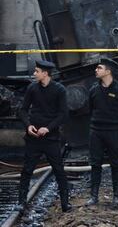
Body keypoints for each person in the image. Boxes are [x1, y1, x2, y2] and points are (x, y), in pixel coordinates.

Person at [17, 60, 71, 213]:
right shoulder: (32, 88)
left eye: (36, 71)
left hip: (51, 139)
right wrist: (28, 125)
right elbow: (22, 110)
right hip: (33, 138)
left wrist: (47, 128)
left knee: (59, 170)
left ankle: (65, 204)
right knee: (27, 170)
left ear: (45, 73)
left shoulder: (59, 90)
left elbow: (63, 114)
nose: (34, 74)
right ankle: (21, 203)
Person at [87, 57, 118, 206]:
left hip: (114, 132)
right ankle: (93, 197)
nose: (96, 70)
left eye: (99, 68)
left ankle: (117, 197)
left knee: (115, 164)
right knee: (95, 164)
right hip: (96, 132)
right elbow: (91, 110)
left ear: (108, 71)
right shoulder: (93, 90)